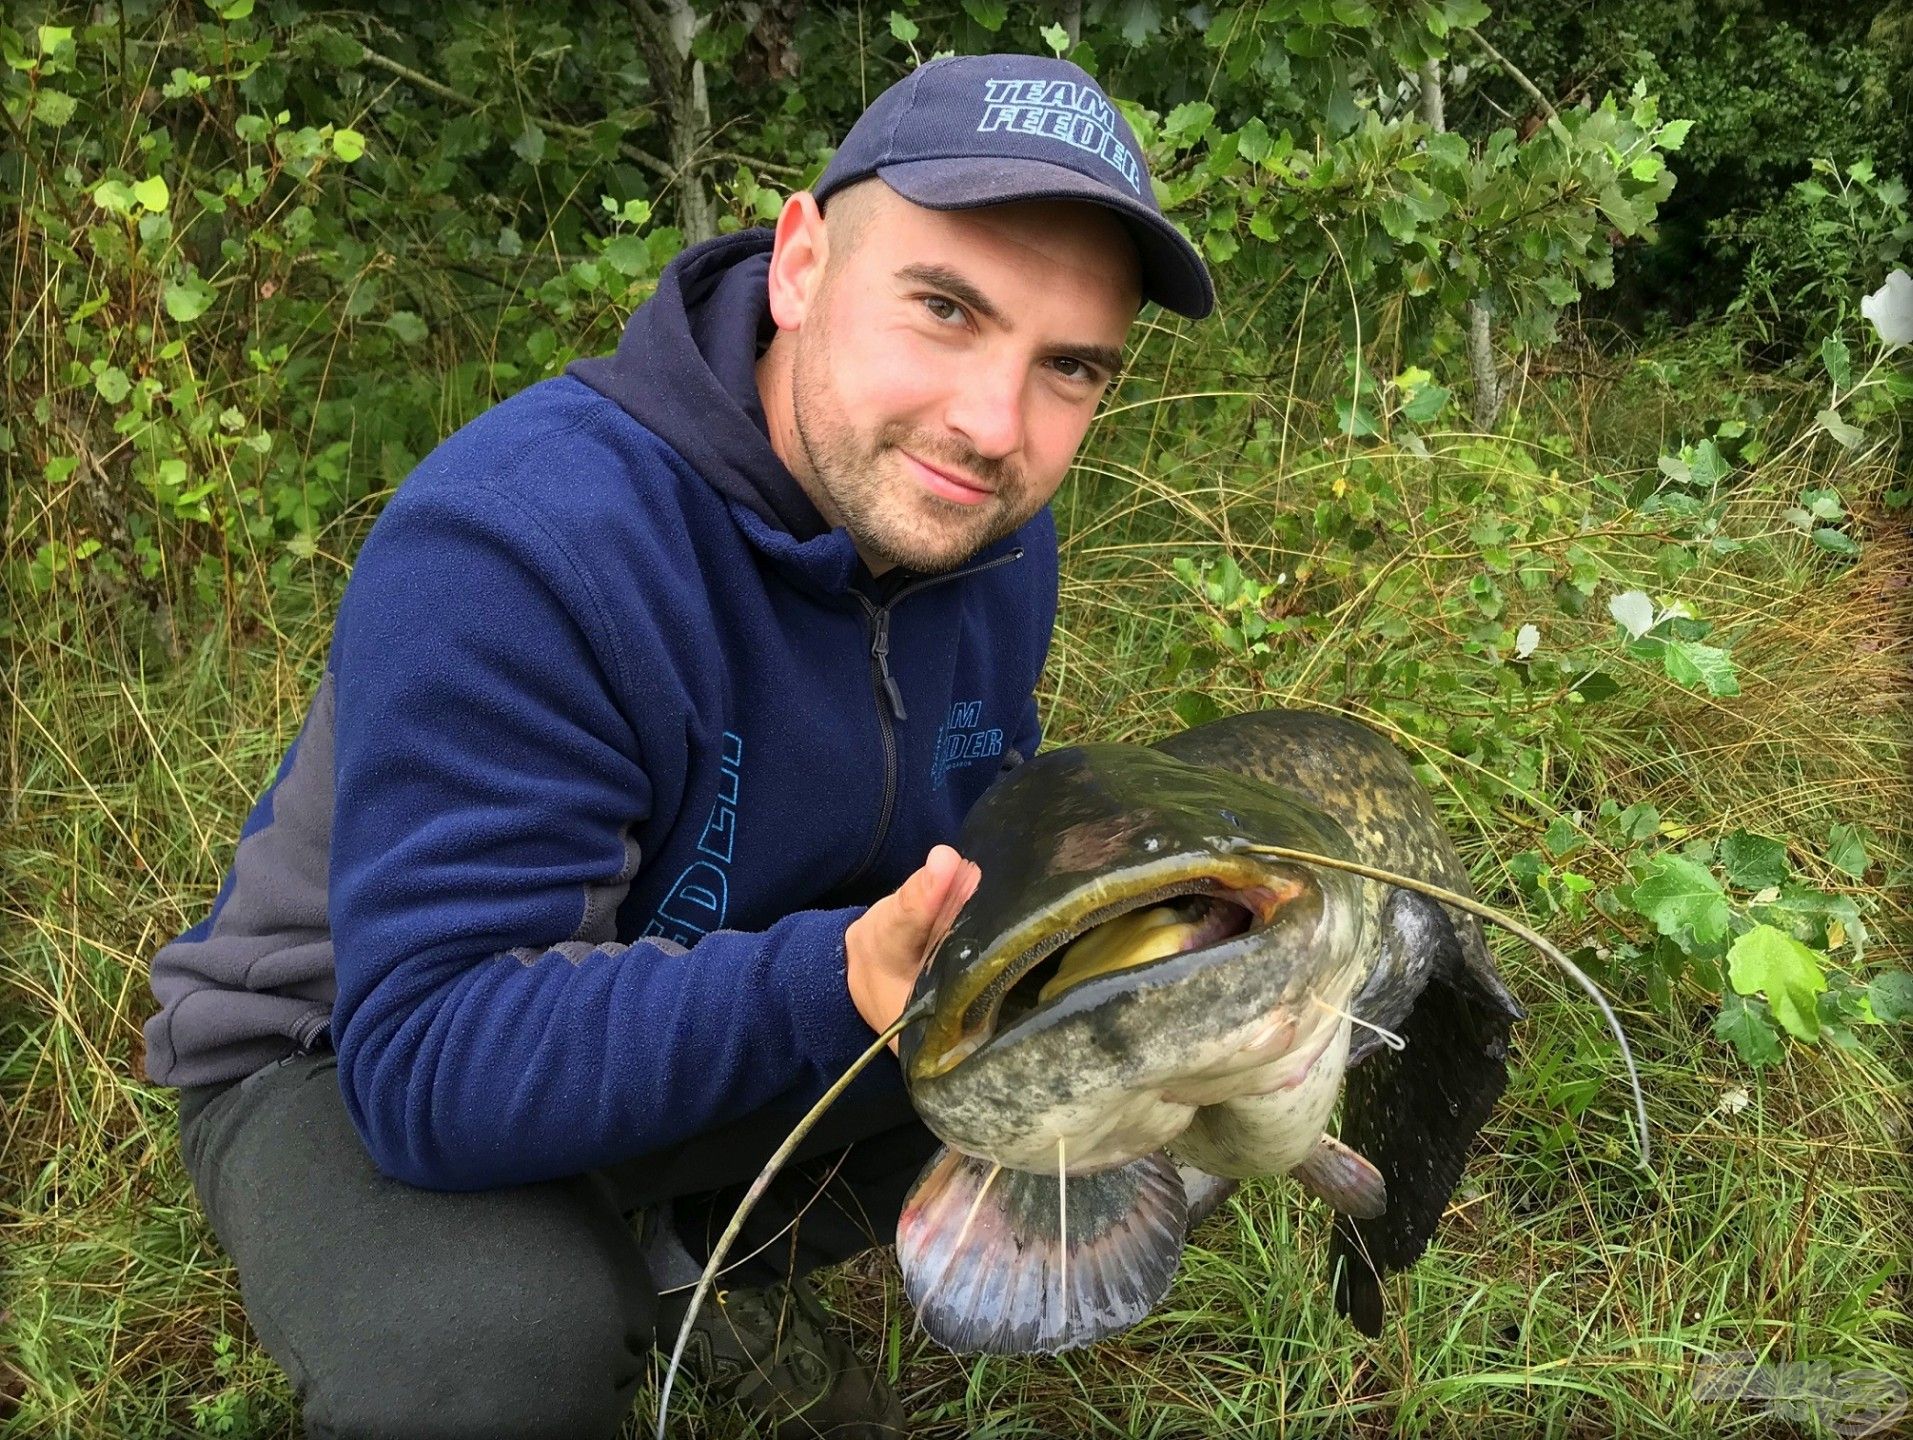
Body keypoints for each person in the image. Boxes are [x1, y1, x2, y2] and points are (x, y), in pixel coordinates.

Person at [143, 52, 1214, 1440]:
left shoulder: (984, 524)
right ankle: (590, 1273)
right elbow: (425, 1065)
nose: (991, 426)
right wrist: (842, 983)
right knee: (482, 1358)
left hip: (753, 984)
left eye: (1068, 368)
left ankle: (700, 1257)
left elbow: (964, 830)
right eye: (944, 309)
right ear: (799, 263)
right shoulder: (518, 538)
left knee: (1143, 1028)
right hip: (351, 1050)